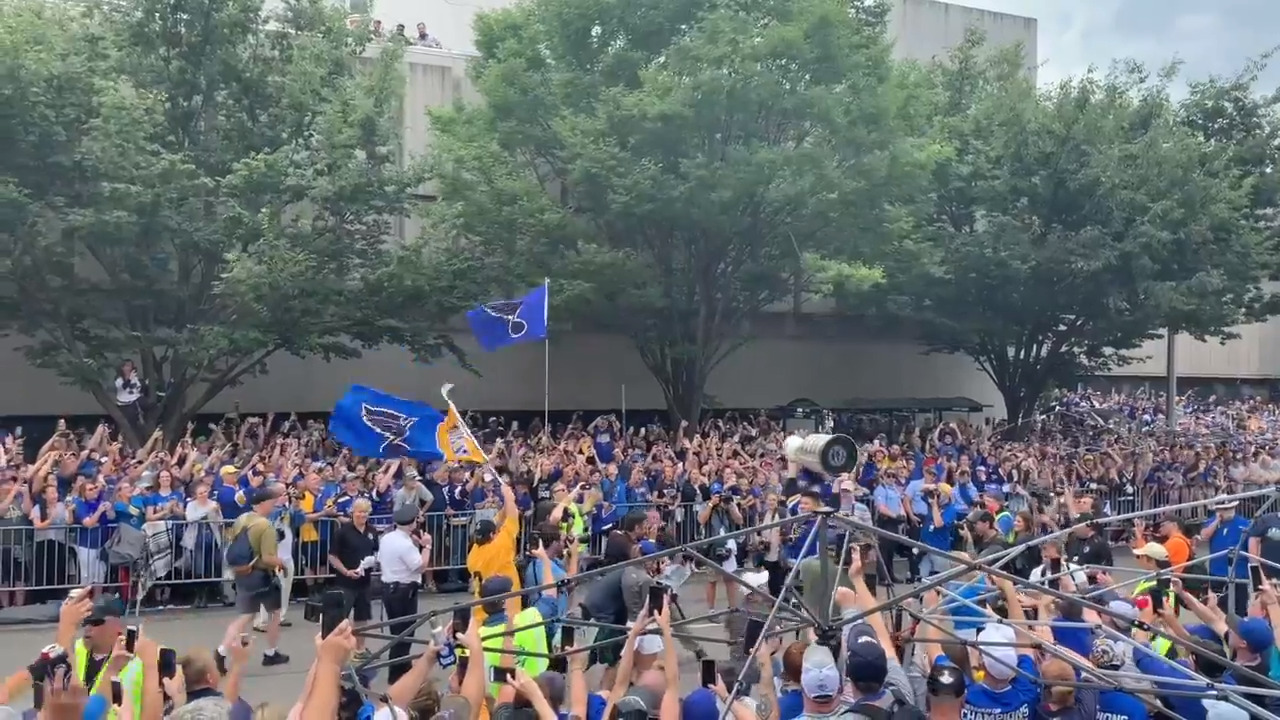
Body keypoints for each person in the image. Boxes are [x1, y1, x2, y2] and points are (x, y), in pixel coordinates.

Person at [216, 487, 289, 675]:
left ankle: (224, 649)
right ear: (263, 504)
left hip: (242, 572)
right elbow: (268, 558)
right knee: (275, 613)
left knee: (246, 615)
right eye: (272, 503)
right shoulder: (266, 526)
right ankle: (270, 652)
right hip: (261, 575)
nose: (274, 506)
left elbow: (232, 539)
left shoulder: (242, 519)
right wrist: (282, 563)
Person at [377, 503, 432, 685]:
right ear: (412, 523)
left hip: (389, 589)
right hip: (403, 591)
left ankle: (403, 665)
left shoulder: (388, 538)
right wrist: (427, 547)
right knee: (405, 634)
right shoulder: (405, 545)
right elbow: (420, 566)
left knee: (397, 632)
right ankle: (396, 675)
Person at [327, 497, 379, 657]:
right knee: (341, 618)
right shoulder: (342, 532)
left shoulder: (372, 531)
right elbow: (332, 556)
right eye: (359, 512)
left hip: (364, 581)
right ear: (352, 513)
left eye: (365, 512)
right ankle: (336, 649)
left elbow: (376, 552)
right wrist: (346, 571)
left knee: (362, 617)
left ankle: (360, 649)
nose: (362, 515)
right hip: (345, 582)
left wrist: (373, 562)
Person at [465, 479, 520, 624]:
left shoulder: (474, 552)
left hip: (482, 609)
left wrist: (505, 507)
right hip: (506, 608)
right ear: (491, 535)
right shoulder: (500, 546)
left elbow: (497, 522)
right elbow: (513, 518)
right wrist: (508, 497)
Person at [1201, 496, 1250, 616]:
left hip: (1239, 573)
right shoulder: (1211, 523)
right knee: (1218, 608)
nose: (1227, 511)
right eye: (1223, 509)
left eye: (1229, 508)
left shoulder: (1245, 524)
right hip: (1217, 573)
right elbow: (1204, 536)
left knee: (1239, 609)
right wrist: (1216, 521)